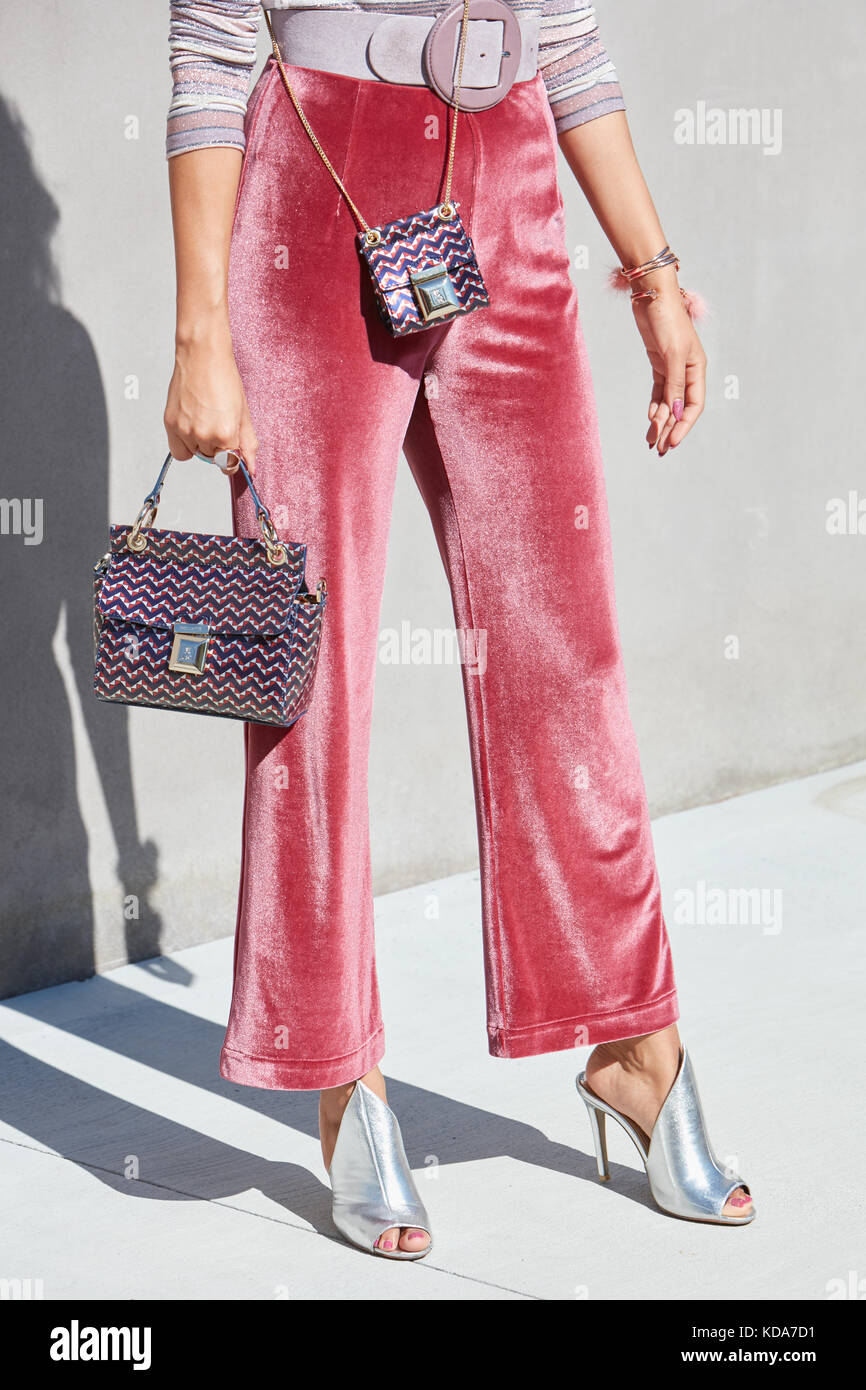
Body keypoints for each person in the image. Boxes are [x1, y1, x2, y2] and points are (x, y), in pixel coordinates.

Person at [163, 0, 754, 1258]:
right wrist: (200, 332)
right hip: (311, 193)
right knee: (304, 673)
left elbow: (571, 37)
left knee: (565, 652)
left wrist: (650, 271)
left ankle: (635, 1042)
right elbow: (213, 54)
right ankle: (341, 1074)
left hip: (507, 176)